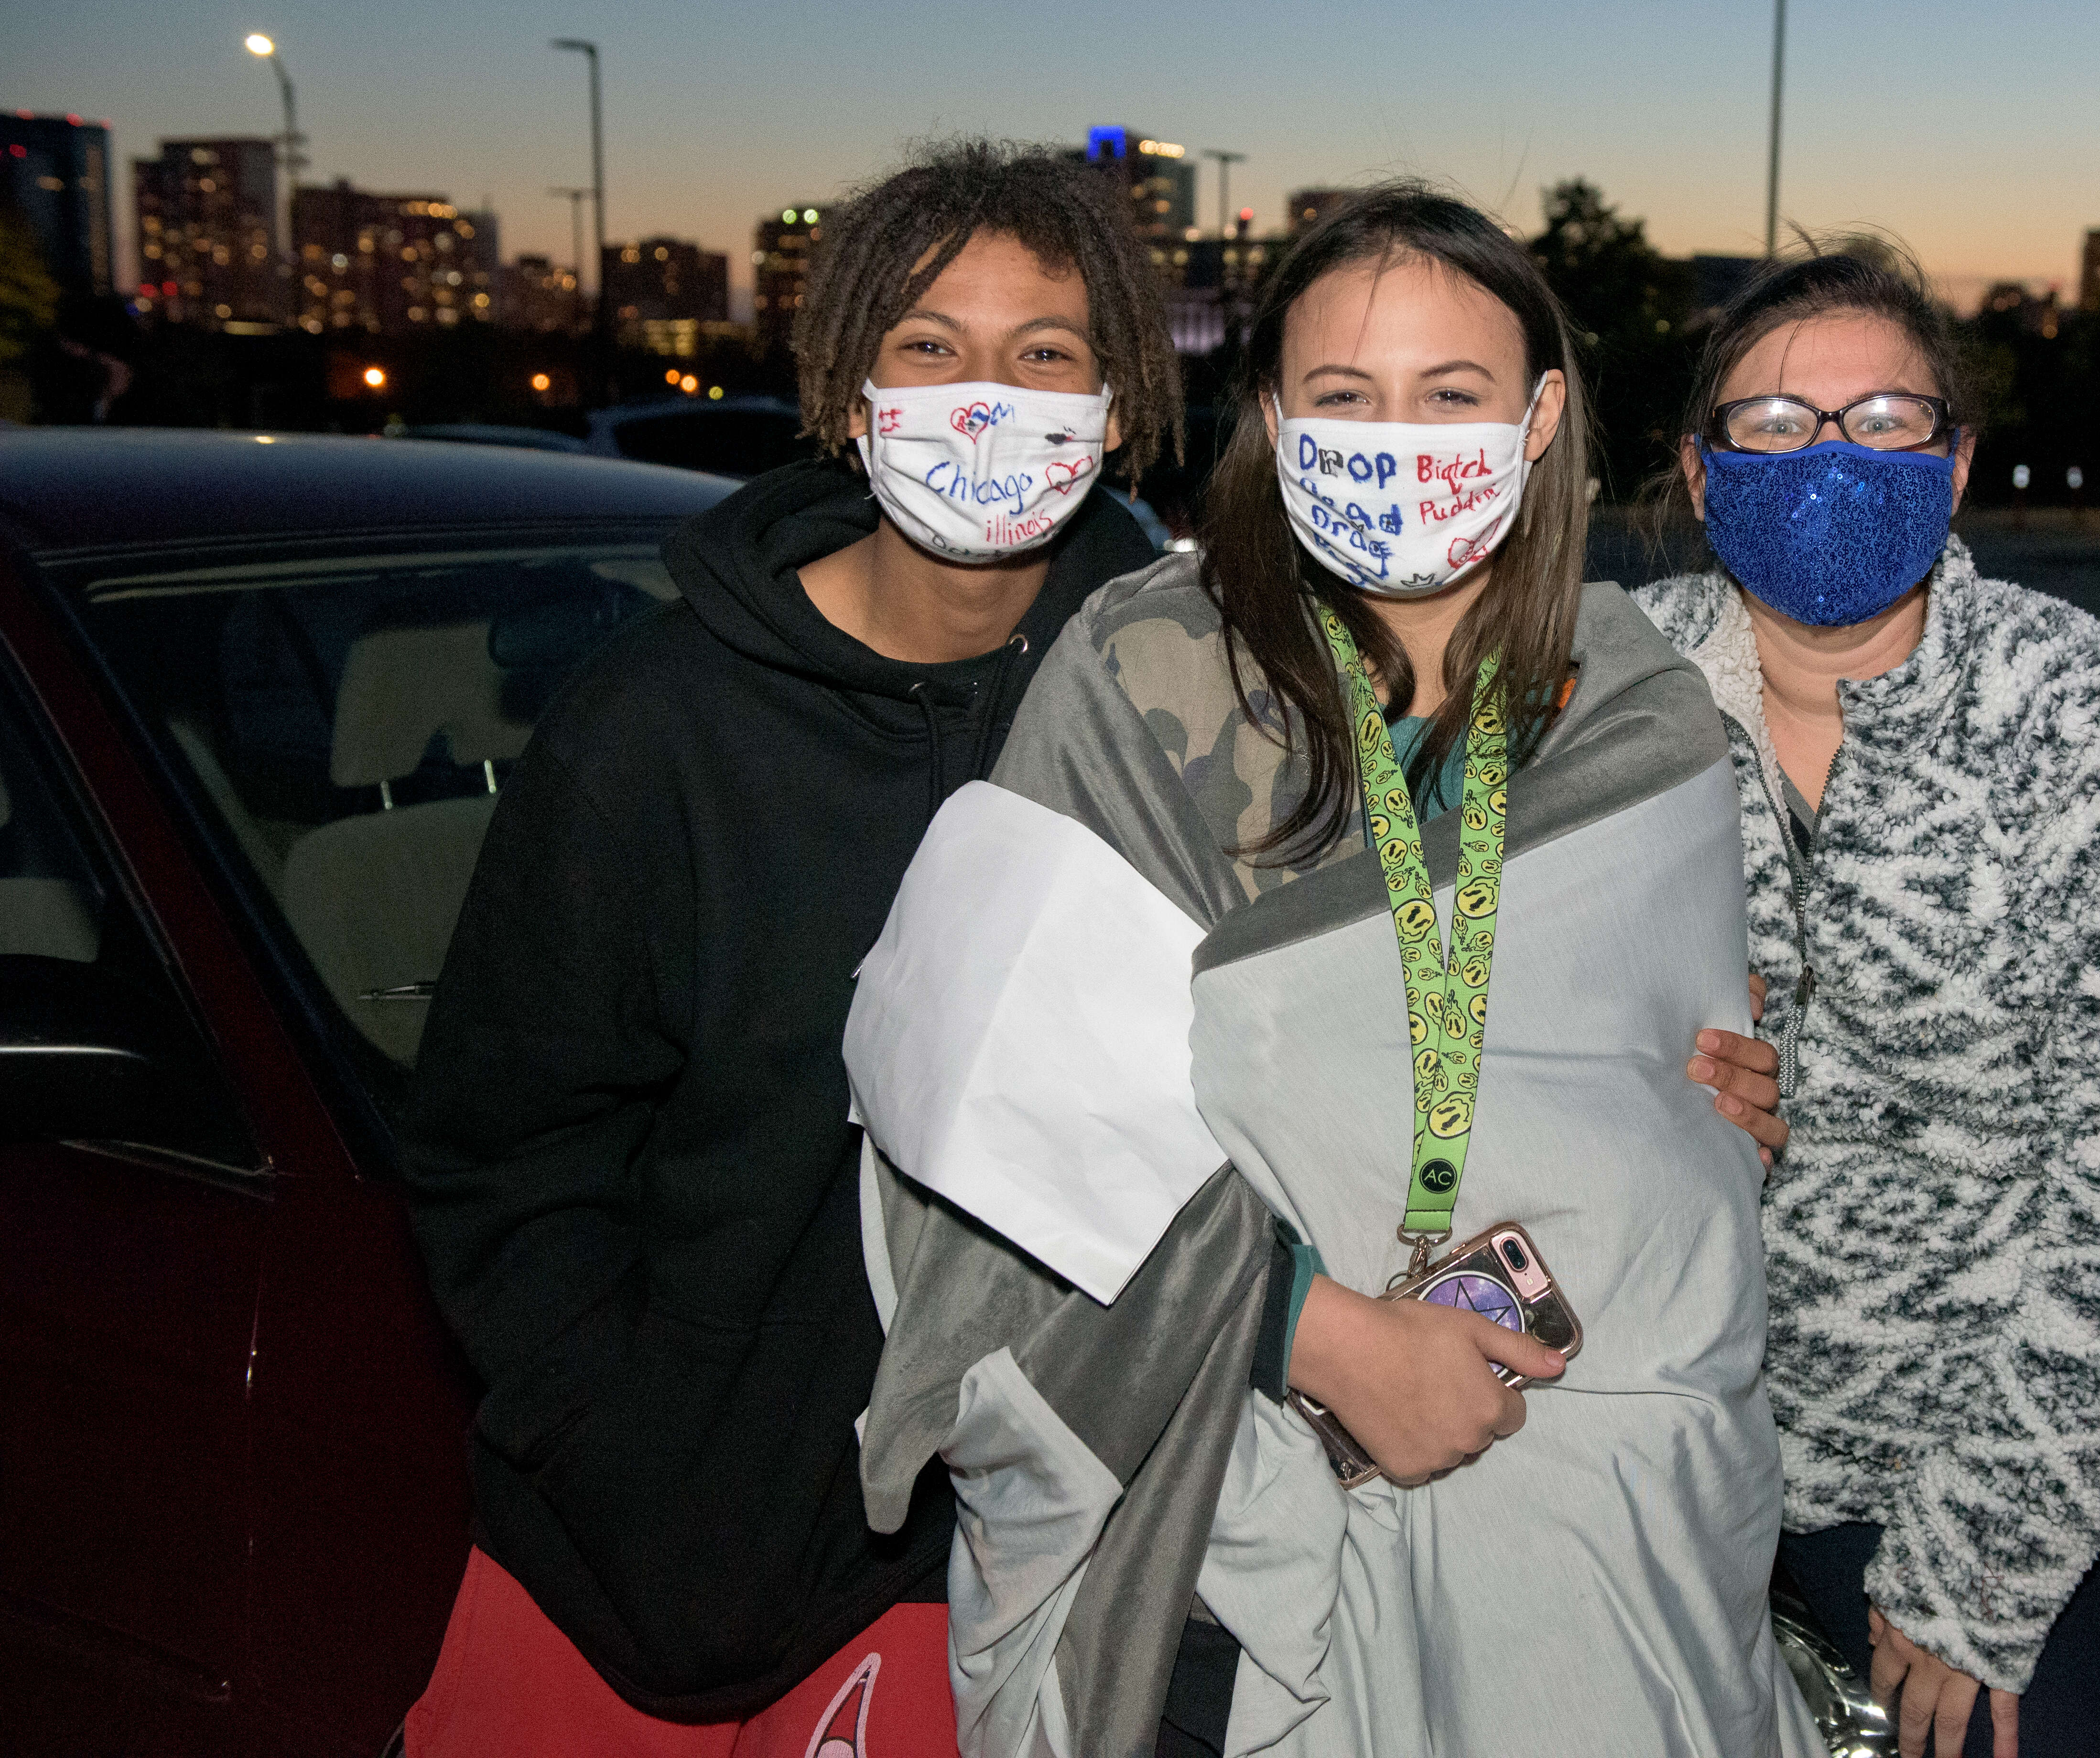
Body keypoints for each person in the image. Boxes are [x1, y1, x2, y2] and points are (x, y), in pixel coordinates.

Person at [846, 184, 1817, 1757]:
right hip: (1226, 1535)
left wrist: (1694, 1115)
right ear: (1275, 417)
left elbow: (1667, 1071)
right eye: (1347, 397)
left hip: (1593, 1521)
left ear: (1539, 416)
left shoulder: (1636, 704)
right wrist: (1315, 1332)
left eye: (1450, 395)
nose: (1396, 443)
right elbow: (984, 1116)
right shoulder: (1145, 682)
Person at [391, 140, 1192, 1753]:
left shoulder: (1178, 720)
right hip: (633, 1579)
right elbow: (504, 1149)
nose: (987, 400)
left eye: (1044, 354)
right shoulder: (657, 732)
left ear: (1117, 411)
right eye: (929, 346)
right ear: (848, 393)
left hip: (994, 1571)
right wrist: (629, 1452)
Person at [1633, 247, 2100, 1758]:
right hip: (1846, 1455)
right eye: (1774, 423)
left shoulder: (2076, 705)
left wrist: (1983, 1555)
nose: (1830, 458)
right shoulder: (1606, 711)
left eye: (1886, 419)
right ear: (1700, 476)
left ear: (1954, 468)